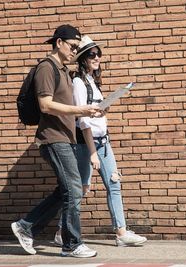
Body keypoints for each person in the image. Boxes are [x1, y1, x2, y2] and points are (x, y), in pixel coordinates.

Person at [11, 25, 101, 258]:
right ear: (59, 42)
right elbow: (46, 105)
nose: (75, 51)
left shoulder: (63, 70)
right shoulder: (46, 68)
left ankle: (26, 226)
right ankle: (71, 244)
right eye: (72, 46)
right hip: (53, 138)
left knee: (66, 190)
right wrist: (80, 108)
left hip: (65, 138)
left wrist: (90, 111)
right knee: (73, 189)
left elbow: (67, 106)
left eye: (77, 48)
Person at [53, 35, 147, 247]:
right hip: (86, 145)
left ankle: (121, 233)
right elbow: (83, 120)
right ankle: (61, 231)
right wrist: (93, 152)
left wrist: (104, 109)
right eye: (93, 55)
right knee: (81, 189)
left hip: (103, 142)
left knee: (114, 183)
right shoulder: (78, 82)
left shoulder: (92, 82)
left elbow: (92, 113)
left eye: (99, 54)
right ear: (84, 58)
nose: (97, 58)